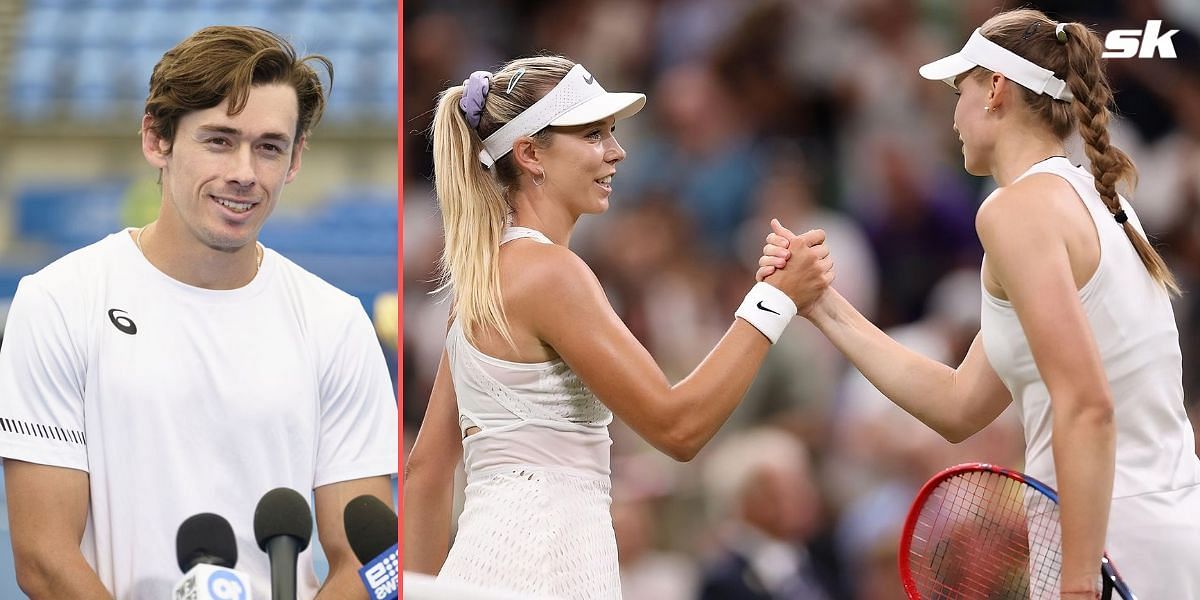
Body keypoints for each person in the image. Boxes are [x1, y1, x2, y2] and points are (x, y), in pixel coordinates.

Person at [759, 8, 1200, 598]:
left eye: (959, 90)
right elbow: (960, 404)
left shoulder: (1016, 211)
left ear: (995, 89)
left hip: (1110, 544)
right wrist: (822, 305)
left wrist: (1075, 586)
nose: (953, 115)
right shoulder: (1095, 203)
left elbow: (1087, 405)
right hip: (1161, 531)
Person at [403, 55, 832, 599]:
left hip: (489, 568)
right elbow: (678, 427)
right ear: (530, 153)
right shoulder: (552, 274)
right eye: (592, 134)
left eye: (611, 132)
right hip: (543, 572)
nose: (616, 151)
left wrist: (417, 590)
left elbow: (426, 473)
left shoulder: (483, 281)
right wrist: (774, 301)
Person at [0, 26, 398, 599]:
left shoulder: (335, 322)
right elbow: (42, 558)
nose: (245, 172)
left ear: (295, 159)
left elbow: (363, 558)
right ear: (157, 141)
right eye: (219, 140)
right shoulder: (59, 301)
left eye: (269, 146)